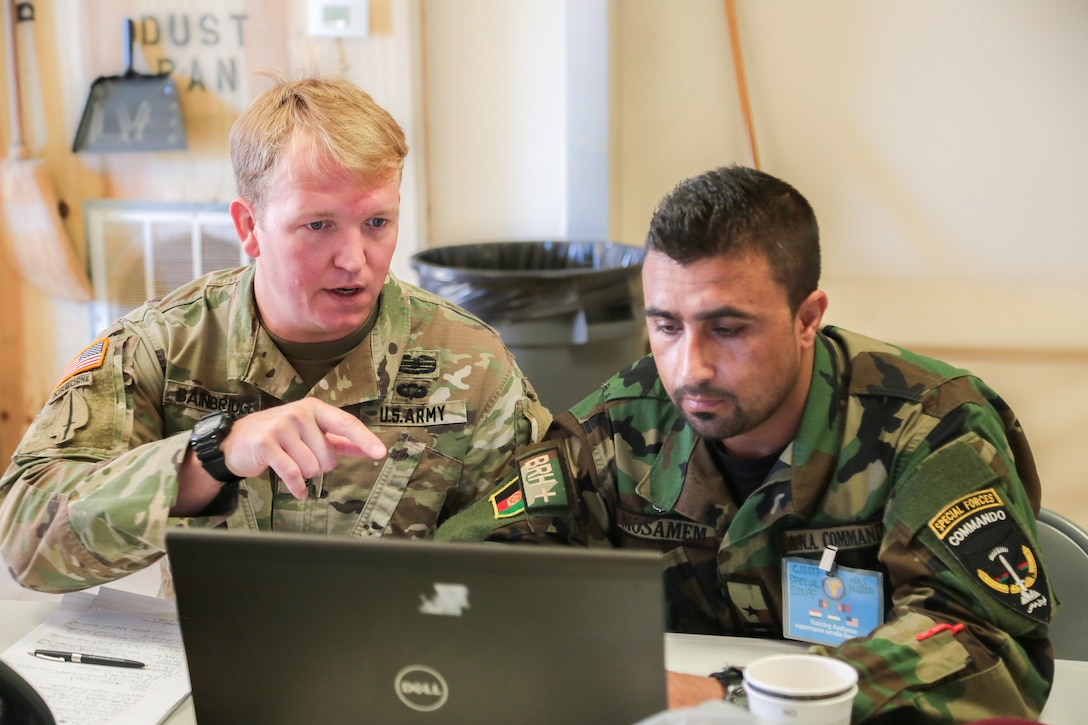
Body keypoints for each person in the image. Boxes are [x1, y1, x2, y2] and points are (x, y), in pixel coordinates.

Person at [437, 165, 1053, 722]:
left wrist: (737, 696)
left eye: (727, 329)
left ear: (807, 318)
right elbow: (472, 575)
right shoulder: (617, 423)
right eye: (666, 326)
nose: (690, 367)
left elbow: (981, 640)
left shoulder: (930, 426)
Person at [0, 73, 550, 596]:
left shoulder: (471, 362)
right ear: (249, 228)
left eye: (377, 223)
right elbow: (23, 546)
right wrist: (209, 459)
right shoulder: (161, 347)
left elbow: (541, 550)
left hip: (402, 670)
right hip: (214, 669)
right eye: (318, 225)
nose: (354, 260)